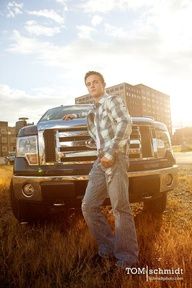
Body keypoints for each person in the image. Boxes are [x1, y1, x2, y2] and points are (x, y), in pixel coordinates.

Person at [64, 71, 139, 269]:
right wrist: (73, 115)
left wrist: (112, 152)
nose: (92, 85)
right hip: (100, 161)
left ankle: (127, 259)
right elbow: (93, 119)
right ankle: (108, 247)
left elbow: (125, 122)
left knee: (120, 208)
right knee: (88, 205)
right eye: (88, 84)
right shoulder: (94, 109)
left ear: (103, 84)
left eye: (95, 82)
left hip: (115, 157)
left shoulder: (112, 101)